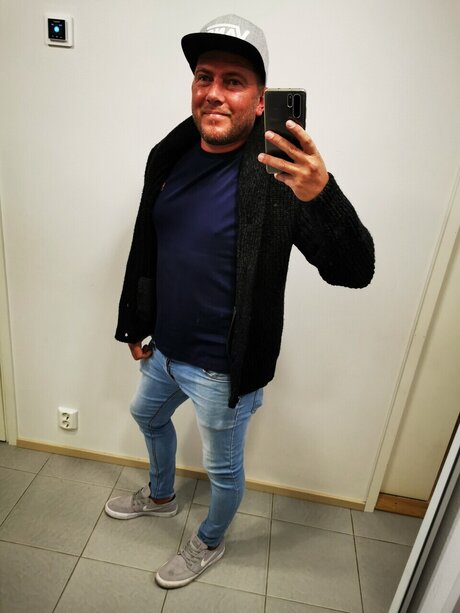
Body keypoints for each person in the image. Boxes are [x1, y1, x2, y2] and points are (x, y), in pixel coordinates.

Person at [105, 14, 375, 589]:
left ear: (260, 99)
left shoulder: (280, 172)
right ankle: (161, 496)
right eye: (205, 77)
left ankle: (209, 540)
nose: (214, 92)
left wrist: (322, 195)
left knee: (222, 469)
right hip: (165, 349)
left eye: (234, 81)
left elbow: (355, 271)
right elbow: (147, 245)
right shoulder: (169, 154)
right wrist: (135, 320)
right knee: (145, 415)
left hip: (224, 369)